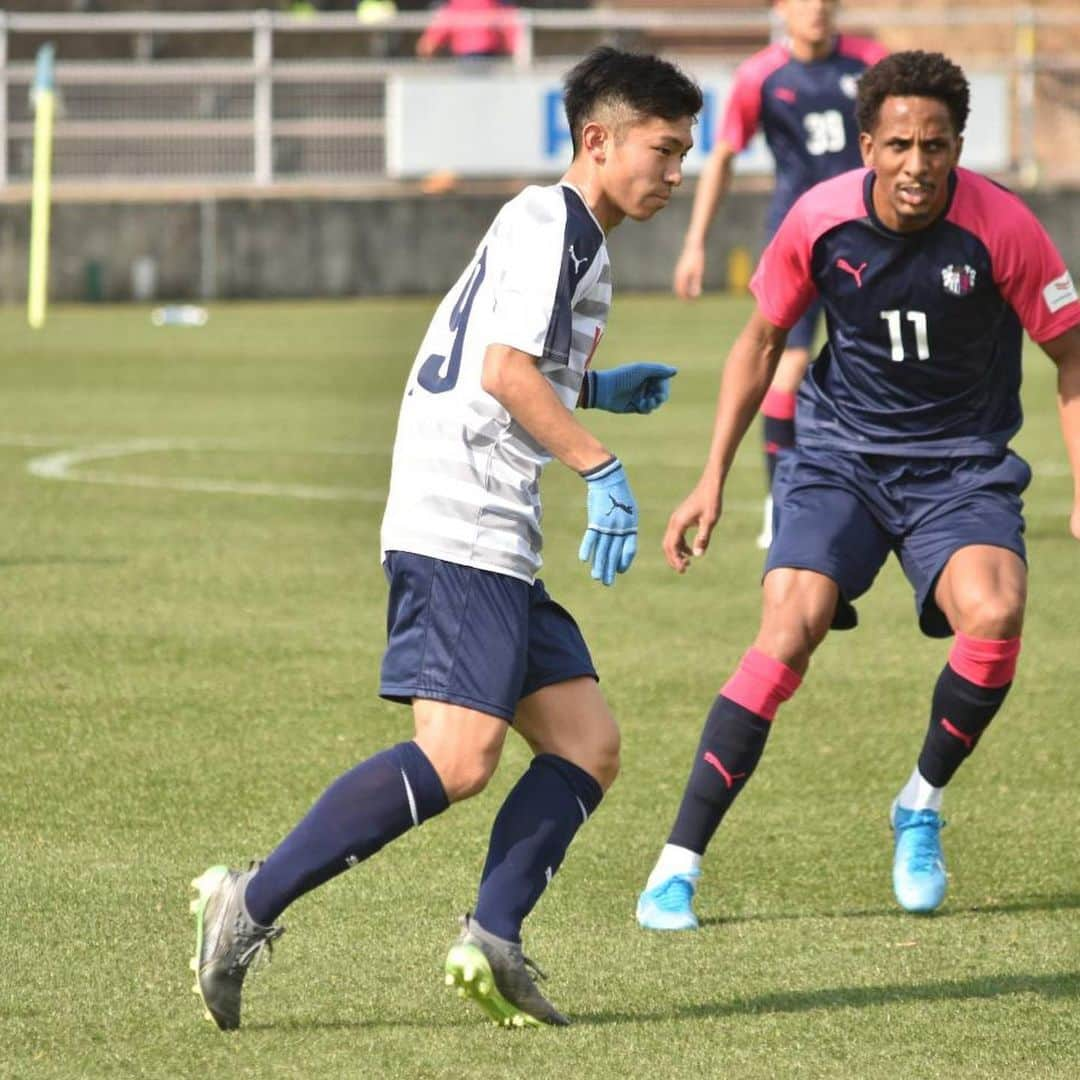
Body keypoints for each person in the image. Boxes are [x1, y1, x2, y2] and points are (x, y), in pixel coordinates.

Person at [190, 46, 702, 1029]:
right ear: (598, 140)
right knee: (460, 759)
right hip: (463, 516)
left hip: (491, 521)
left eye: (684, 154)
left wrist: (597, 389)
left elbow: (505, 362)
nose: (675, 174)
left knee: (587, 744)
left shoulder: (570, 235)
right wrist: (601, 466)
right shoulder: (553, 222)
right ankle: (245, 904)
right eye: (664, 150)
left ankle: (494, 938)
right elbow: (504, 372)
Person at [637, 49, 1080, 932]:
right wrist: (711, 480)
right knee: (788, 624)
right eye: (900, 145)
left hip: (960, 467)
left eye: (937, 145)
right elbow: (760, 343)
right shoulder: (820, 217)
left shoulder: (1004, 228)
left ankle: (919, 803)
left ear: (958, 145)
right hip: (839, 457)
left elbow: (1070, 352)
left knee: (993, 615)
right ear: (868, 145)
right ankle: (675, 866)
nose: (918, 165)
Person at [673, 0, 887, 549]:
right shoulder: (759, 76)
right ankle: (782, 502)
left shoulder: (872, 63)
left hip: (875, 237)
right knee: (784, 365)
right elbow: (722, 155)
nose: (816, 9)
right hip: (800, 241)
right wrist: (695, 243)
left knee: (886, 365)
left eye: (825, 1)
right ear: (781, 9)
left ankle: (895, 492)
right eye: (804, 0)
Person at [415, 0, 520, 60]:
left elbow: (445, 19)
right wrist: (515, 46)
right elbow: (506, 18)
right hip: (485, 50)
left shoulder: (456, 4)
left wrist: (429, 41)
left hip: (468, 52)